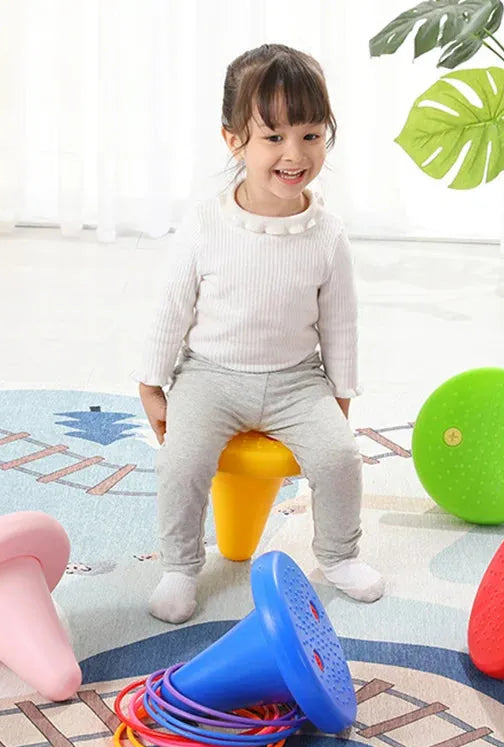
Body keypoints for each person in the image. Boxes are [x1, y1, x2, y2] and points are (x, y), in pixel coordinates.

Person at [135, 43, 384, 624]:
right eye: (273, 137)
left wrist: (340, 394)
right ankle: (179, 565)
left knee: (342, 458)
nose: (294, 154)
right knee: (181, 462)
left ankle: (340, 555)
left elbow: (340, 322)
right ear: (233, 140)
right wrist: (152, 382)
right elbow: (172, 307)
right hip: (208, 377)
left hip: (298, 381)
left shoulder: (327, 234)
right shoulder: (205, 224)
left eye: (311, 135)